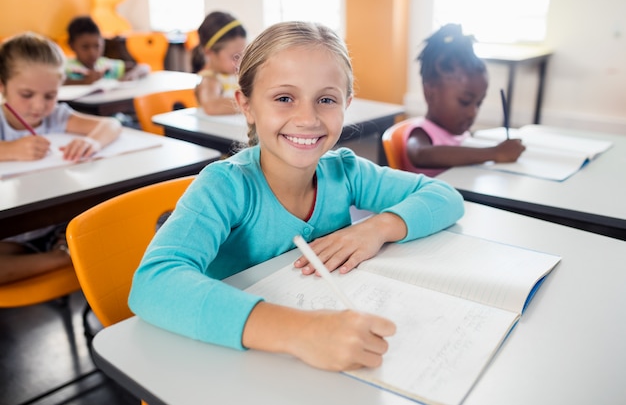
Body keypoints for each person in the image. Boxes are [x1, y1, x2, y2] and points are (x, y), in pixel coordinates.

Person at [129, 21, 465, 372]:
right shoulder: (225, 187)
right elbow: (153, 282)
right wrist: (301, 332)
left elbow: (444, 195)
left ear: (346, 104)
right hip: (232, 364)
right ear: (246, 105)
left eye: (326, 99)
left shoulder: (345, 172)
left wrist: (376, 228)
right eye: (284, 98)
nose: (307, 118)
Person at [0, 32, 122, 284]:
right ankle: (61, 259)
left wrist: (91, 141)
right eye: (26, 94)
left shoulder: (56, 115)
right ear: (2, 86)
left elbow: (111, 125)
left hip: (58, 223)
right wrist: (10, 150)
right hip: (11, 233)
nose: (39, 106)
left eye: (49, 95)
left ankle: (62, 253)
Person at [401, 23, 525, 177]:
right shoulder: (421, 133)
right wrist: (495, 153)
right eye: (465, 101)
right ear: (430, 92)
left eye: (478, 103)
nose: (473, 112)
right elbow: (421, 155)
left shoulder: (461, 135)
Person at [63, 16, 150, 85]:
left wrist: (132, 75)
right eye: (85, 47)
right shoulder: (65, 67)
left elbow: (144, 67)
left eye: (97, 46)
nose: (92, 53)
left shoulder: (106, 66)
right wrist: (83, 82)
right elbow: (57, 82)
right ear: (71, 46)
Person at [193, 11, 247, 115]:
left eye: (243, 55)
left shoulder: (236, 75)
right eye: (235, 57)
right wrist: (253, 104)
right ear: (209, 53)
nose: (240, 62)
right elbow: (212, 106)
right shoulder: (210, 79)